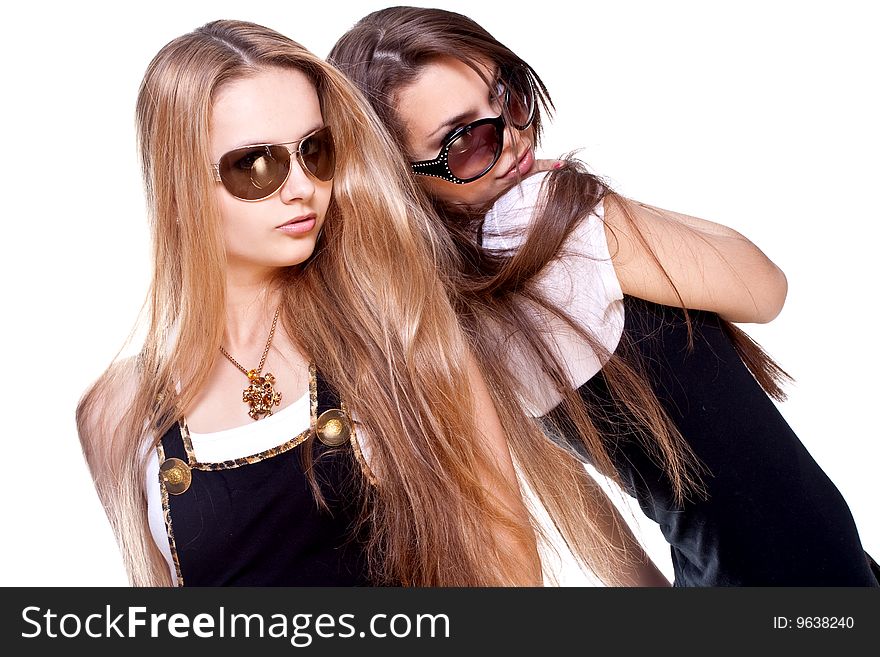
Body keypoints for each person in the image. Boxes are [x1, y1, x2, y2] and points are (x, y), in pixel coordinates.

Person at [75, 18, 671, 588]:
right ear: (180, 184)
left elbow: (508, 576)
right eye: (257, 165)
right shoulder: (115, 415)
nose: (303, 186)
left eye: (317, 151)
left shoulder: (403, 339)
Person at [329, 6, 880, 586]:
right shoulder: (545, 217)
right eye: (468, 141)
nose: (514, 139)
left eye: (509, 98)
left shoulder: (459, 305)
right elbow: (766, 287)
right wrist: (579, 193)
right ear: (401, 180)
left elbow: (581, 512)